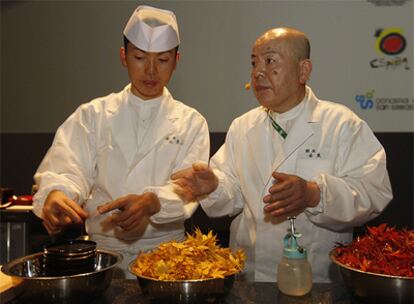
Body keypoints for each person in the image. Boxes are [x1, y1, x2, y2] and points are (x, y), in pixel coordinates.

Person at [171, 27, 393, 283]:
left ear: (303, 70)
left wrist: (315, 194)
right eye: (254, 63)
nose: (258, 73)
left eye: (270, 61)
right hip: (248, 277)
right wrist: (213, 186)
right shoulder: (243, 126)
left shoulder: (341, 124)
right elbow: (232, 197)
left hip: (318, 280)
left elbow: (375, 191)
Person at [32, 5, 209, 278]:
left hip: (168, 255)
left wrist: (153, 202)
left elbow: (188, 189)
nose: (150, 70)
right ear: (123, 57)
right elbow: (69, 168)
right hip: (100, 255)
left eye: (162, 60)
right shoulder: (92, 115)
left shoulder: (191, 122)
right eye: (140, 57)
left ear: (177, 60)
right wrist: (58, 194)